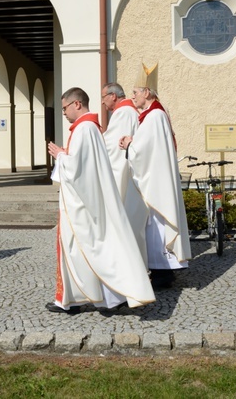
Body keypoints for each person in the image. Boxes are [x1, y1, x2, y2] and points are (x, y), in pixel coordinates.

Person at [46, 87, 154, 314]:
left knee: (86, 250)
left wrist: (61, 156)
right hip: (84, 200)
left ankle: (93, 300)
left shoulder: (85, 129)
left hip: (82, 206)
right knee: (86, 250)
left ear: (77, 104)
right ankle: (78, 299)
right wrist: (67, 155)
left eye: (65, 107)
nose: (63, 113)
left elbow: (78, 170)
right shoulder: (89, 128)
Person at [119, 64, 191, 289]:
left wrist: (130, 143)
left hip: (156, 184)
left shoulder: (155, 115)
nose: (133, 97)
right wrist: (134, 142)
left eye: (136, 92)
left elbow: (144, 151)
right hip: (155, 178)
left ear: (147, 93)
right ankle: (162, 271)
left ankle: (162, 272)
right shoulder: (153, 114)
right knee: (154, 226)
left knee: (156, 226)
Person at [101, 82, 148, 265]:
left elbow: (113, 148)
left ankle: (131, 267)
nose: (103, 103)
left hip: (128, 176)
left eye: (103, 97)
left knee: (129, 222)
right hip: (136, 172)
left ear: (113, 96)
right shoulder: (130, 111)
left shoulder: (123, 112)